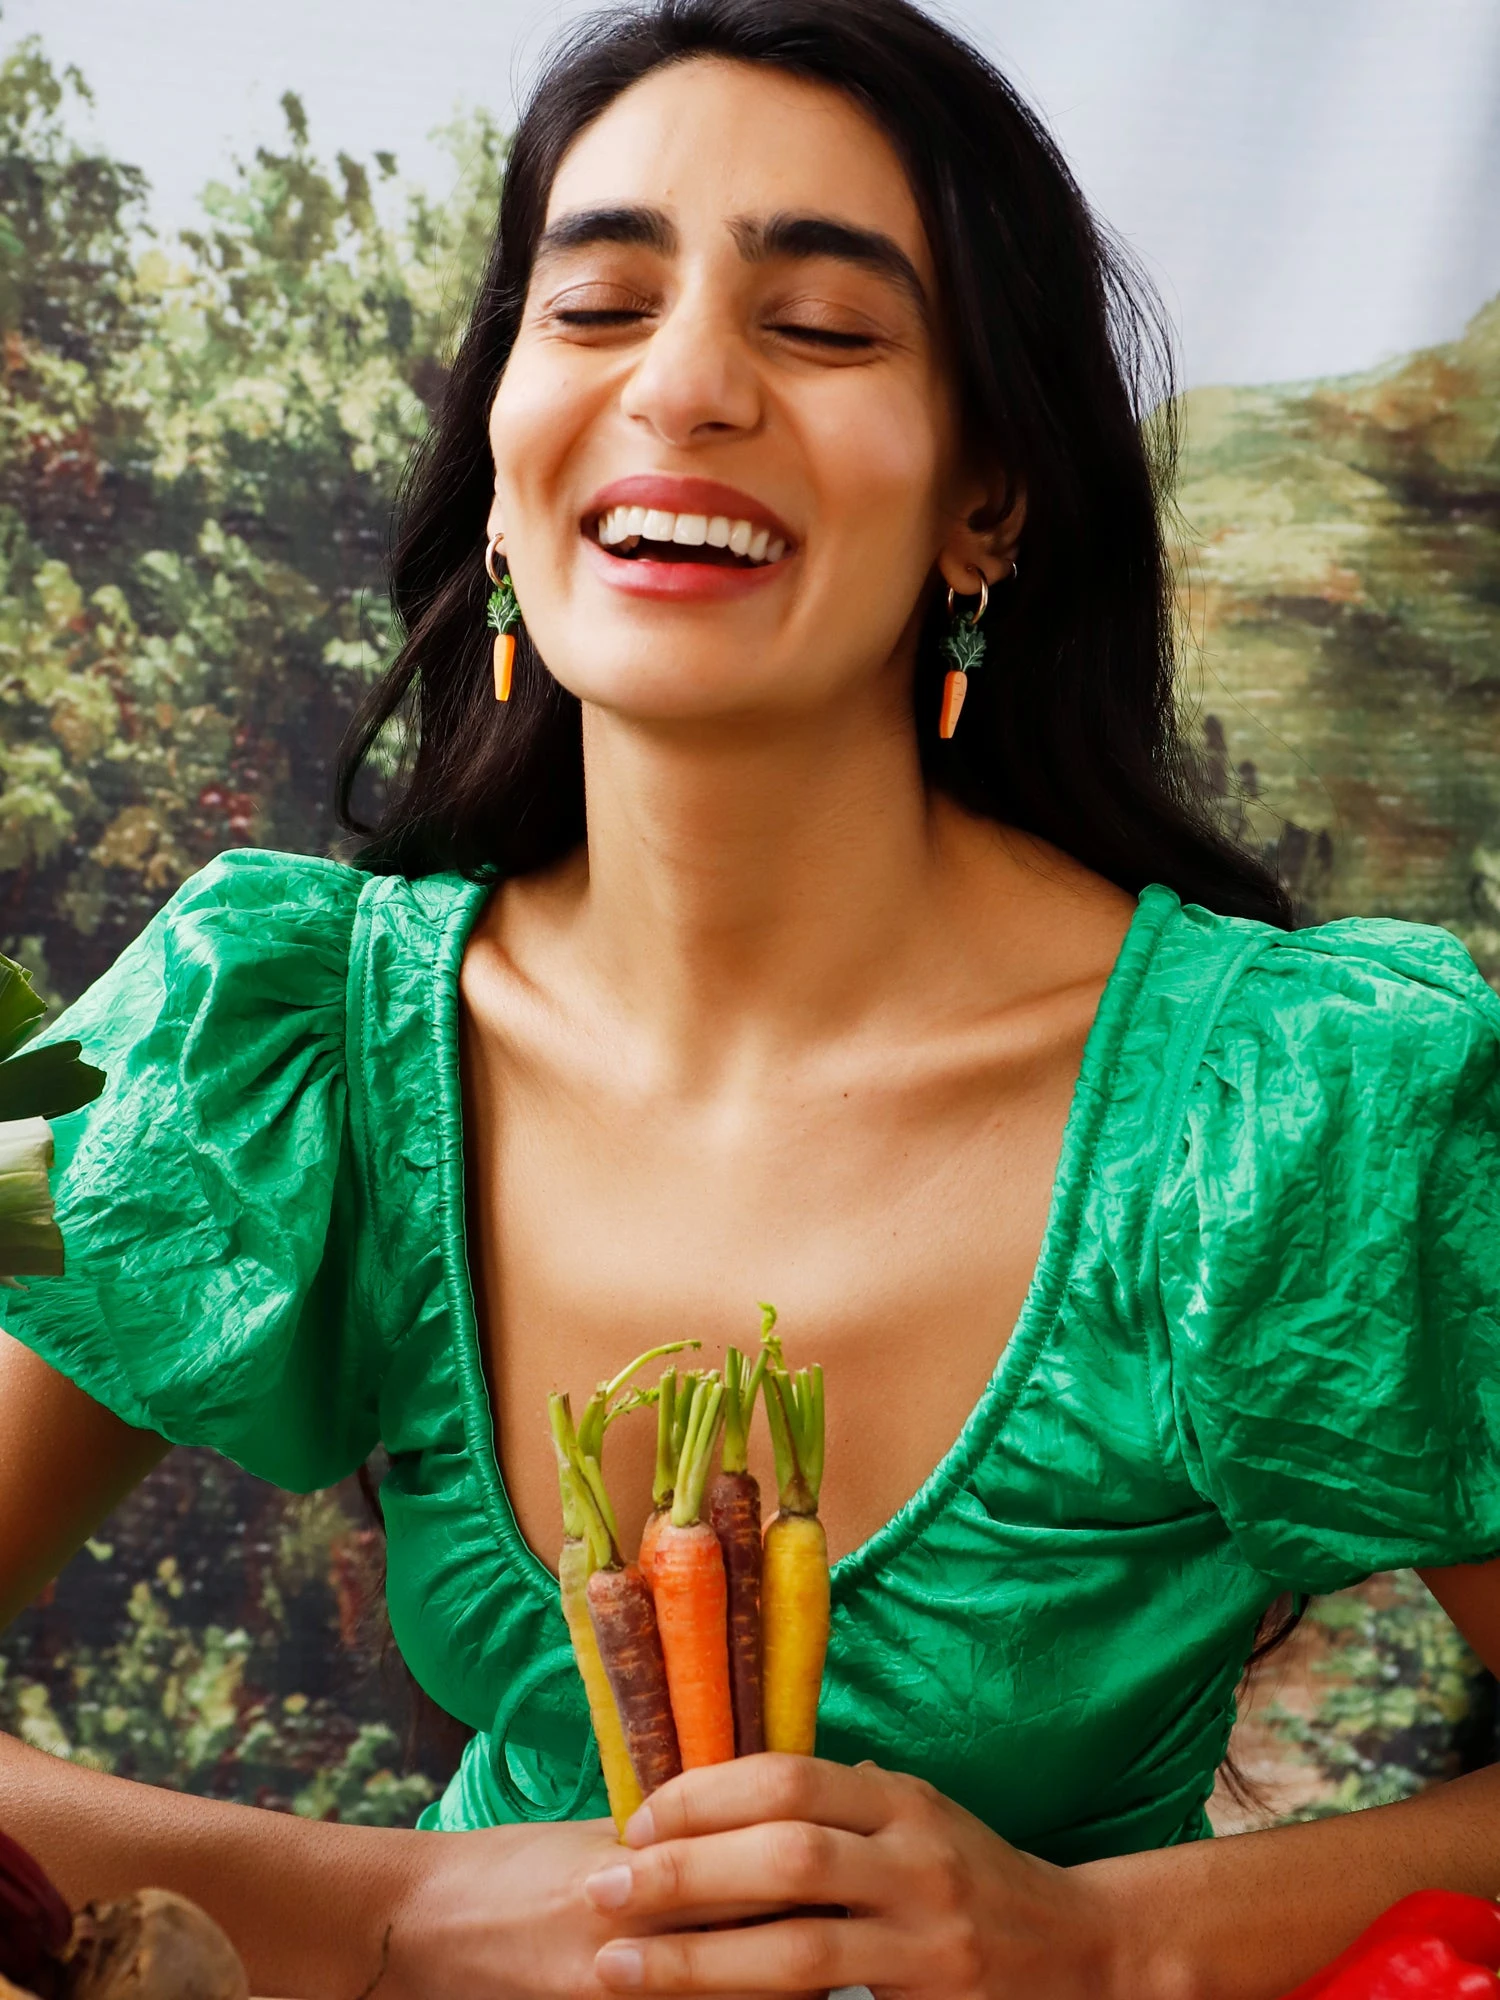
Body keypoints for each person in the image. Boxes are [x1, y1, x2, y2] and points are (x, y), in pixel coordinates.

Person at [2, 0, 1498, 1993]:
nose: (687, 384)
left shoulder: (1294, 1118)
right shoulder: (283, 1046)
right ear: (507, 458)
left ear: (988, 502)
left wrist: (1093, 1941)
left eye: (823, 327)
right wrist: (397, 1906)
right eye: (598, 306)